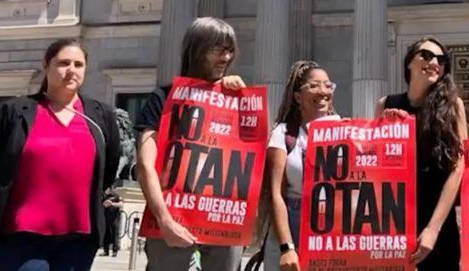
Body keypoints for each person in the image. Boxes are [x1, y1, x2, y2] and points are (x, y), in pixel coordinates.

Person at [0, 38, 121, 271]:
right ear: (47, 64)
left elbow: (109, 165)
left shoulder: (100, 116)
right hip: (21, 235)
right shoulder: (14, 112)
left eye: (78, 64)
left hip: (79, 237)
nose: (71, 70)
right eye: (63, 63)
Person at [135, 17, 248, 271]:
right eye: (217, 49)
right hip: (171, 218)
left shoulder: (235, 97)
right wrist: (165, 220)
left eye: (230, 50)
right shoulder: (163, 97)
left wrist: (243, 98)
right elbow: (145, 163)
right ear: (196, 49)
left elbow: (253, 153)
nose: (226, 57)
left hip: (223, 220)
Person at [377, 37, 467, 271]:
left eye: (441, 59)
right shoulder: (386, 105)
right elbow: (373, 166)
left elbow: (458, 168)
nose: (434, 62)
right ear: (409, 63)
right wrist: (374, 130)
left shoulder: (453, 105)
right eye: (426, 56)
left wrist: (433, 228)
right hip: (396, 222)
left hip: (438, 223)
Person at [263, 61, 341, 271]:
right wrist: (287, 247)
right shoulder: (283, 134)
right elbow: (275, 194)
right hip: (291, 226)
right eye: (314, 86)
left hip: (330, 230)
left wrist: (390, 121)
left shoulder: (343, 128)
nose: (323, 91)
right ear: (298, 96)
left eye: (327, 85)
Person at [101, 188, 123, 257]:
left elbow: (121, 204)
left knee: (115, 234)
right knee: (106, 234)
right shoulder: (104, 196)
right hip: (106, 217)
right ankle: (106, 251)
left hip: (115, 218)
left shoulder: (116, 195)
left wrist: (112, 204)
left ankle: (115, 251)